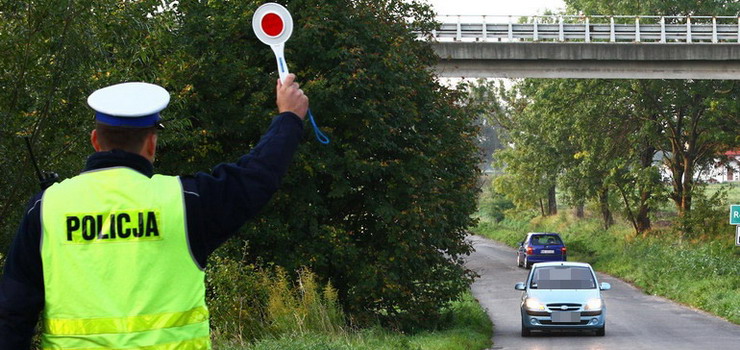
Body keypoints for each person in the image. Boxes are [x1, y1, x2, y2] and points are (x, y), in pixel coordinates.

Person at [0, 74, 309, 349]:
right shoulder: (185, 201)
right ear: (151, 144)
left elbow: (12, 315)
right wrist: (288, 118)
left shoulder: (46, 208)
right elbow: (255, 177)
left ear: (96, 141)